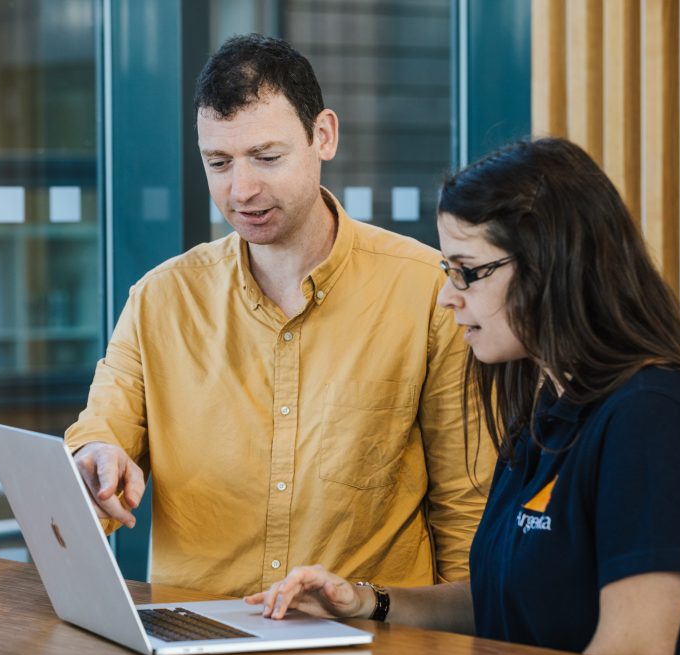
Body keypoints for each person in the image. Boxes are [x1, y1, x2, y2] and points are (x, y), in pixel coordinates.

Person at [247, 137, 680, 655]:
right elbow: (503, 600)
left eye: (467, 271)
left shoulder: (653, 418)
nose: (449, 296)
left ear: (550, 266)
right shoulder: (549, 406)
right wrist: (366, 603)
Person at [63, 34, 492, 597]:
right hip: (198, 648)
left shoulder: (426, 292)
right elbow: (99, 435)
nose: (242, 190)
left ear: (324, 136)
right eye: (218, 163)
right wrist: (94, 459)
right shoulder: (159, 300)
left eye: (267, 158)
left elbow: (466, 514)